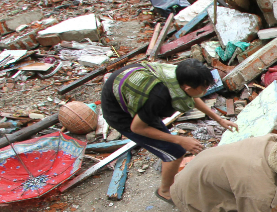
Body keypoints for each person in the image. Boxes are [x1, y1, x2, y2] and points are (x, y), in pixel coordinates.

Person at [100, 59, 238, 204]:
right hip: (120, 114)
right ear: (187, 88)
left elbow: (192, 97)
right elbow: (137, 128)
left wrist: (219, 120)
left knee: (170, 144)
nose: (205, 92)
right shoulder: (158, 97)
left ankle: (169, 173)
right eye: (203, 88)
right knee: (174, 152)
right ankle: (165, 191)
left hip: (134, 99)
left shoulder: (178, 76)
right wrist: (180, 140)